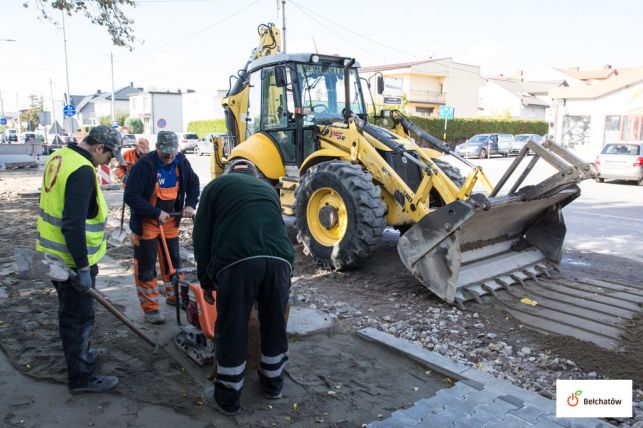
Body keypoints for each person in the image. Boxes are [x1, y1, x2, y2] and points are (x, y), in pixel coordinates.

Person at [193, 159, 294, 416]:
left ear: (230, 172)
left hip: (238, 263)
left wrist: (206, 280)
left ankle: (227, 398)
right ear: (254, 174)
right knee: (273, 323)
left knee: (232, 327)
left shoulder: (216, 186)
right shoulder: (268, 190)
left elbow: (202, 235)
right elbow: (278, 229)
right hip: (281, 262)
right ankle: (273, 386)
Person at [36, 125, 125, 393]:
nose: (110, 161)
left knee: (74, 314)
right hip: (71, 259)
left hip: (54, 254)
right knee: (78, 317)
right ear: (99, 147)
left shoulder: (60, 156)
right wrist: (83, 267)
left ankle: (81, 354)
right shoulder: (82, 170)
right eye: (109, 155)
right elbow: (73, 224)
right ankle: (81, 378)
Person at [124, 131, 199, 324]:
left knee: (172, 263)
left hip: (170, 222)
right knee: (147, 266)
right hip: (147, 224)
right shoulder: (144, 166)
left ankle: (175, 296)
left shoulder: (181, 162)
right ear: (157, 148)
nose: (169, 157)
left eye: (172, 153)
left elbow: (193, 184)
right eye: (166, 154)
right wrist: (154, 212)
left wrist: (190, 204)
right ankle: (151, 309)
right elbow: (131, 197)